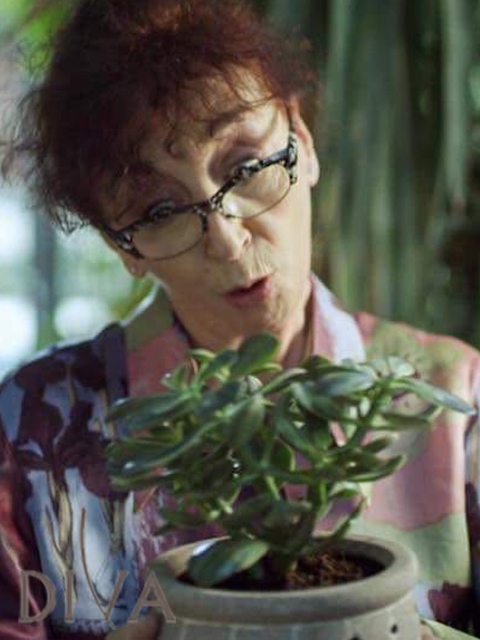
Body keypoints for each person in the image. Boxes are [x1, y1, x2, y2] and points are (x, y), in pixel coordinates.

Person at [0, 1, 478, 638]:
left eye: (247, 167)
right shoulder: (31, 430)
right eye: (160, 210)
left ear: (303, 142)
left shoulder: (458, 405)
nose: (226, 242)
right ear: (121, 247)